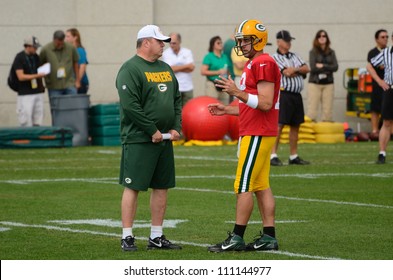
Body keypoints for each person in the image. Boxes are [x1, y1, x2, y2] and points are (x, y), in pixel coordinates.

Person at [207, 19, 281, 252]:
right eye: (240, 40)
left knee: (243, 185)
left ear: (258, 40)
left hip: (258, 133)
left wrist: (236, 92)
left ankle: (237, 237)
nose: (242, 45)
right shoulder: (255, 63)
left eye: (245, 40)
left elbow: (266, 103)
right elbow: (253, 103)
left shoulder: (263, 62)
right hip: (256, 131)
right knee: (260, 185)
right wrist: (228, 109)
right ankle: (269, 237)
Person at [115, 24, 182, 251]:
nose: (163, 45)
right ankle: (127, 236)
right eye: (159, 41)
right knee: (133, 187)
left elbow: (176, 100)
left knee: (162, 187)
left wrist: (175, 127)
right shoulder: (130, 69)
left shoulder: (165, 67)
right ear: (145, 43)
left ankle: (156, 236)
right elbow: (131, 106)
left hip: (163, 139)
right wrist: (151, 130)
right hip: (139, 139)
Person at [270, 30, 311, 166]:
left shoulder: (295, 56)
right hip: (284, 94)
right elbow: (286, 72)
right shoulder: (274, 57)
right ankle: (273, 155)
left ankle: (293, 156)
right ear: (278, 42)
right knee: (279, 125)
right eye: (286, 40)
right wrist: (297, 70)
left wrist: (295, 70)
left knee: (295, 125)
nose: (288, 43)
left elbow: (306, 68)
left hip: (296, 94)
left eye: (289, 41)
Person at [367, 31, 393, 164]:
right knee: (387, 122)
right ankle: (382, 153)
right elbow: (370, 65)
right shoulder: (386, 52)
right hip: (390, 89)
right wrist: (380, 81)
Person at [11, 36, 47, 126]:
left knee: (38, 116)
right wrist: (37, 76)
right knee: (26, 119)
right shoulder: (19, 58)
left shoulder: (36, 57)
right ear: (28, 46)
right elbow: (21, 76)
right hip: (25, 93)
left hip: (37, 91)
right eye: (34, 47)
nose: (36, 49)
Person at [307, 30, 338, 122]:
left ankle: (326, 130)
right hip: (314, 83)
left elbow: (335, 67)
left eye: (324, 36)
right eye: (319, 36)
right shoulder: (313, 52)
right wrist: (329, 68)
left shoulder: (331, 52)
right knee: (312, 109)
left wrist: (323, 65)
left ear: (327, 38)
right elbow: (313, 68)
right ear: (316, 38)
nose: (322, 37)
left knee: (327, 111)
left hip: (328, 83)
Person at [40, 30, 80, 98]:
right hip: (54, 85)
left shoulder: (70, 48)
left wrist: (77, 80)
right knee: (56, 106)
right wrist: (43, 82)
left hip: (69, 83)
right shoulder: (46, 49)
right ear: (54, 39)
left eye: (61, 43)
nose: (59, 45)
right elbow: (40, 65)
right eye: (57, 43)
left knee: (72, 105)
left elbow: (75, 63)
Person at [162, 32, 195, 107]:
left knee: (188, 110)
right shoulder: (166, 53)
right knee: (176, 110)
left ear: (179, 41)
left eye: (174, 43)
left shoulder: (187, 52)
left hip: (187, 86)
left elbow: (191, 68)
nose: (171, 45)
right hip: (174, 87)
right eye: (170, 43)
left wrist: (176, 68)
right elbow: (169, 69)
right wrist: (185, 66)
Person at [367, 29, 388, 135]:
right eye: (382, 37)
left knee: (388, 108)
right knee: (375, 107)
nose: (385, 39)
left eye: (387, 37)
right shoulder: (373, 52)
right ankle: (375, 130)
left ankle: (388, 130)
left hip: (389, 84)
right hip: (377, 84)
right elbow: (376, 65)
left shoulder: (389, 51)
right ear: (377, 39)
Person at [200, 36, 231, 104]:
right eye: (218, 43)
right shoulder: (209, 56)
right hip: (212, 83)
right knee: (212, 103)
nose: (220, 44)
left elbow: (228, 70)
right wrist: (218, 72)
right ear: (213, 45)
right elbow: (203, 71)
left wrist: (229, 80)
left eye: (221, 43)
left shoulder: (225, 56)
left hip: (223, 83)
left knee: (224, 104)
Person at [65, 28, 89, 94]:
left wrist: (77, 81)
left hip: (80, 83)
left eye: (68, 36)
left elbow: (82, 66)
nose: (66, 39)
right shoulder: (69, 50)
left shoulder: (79, 50)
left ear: (75, 37)